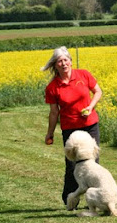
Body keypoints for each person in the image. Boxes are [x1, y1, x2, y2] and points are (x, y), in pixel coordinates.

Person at [42, 46, 102, 208]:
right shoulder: (53, 88)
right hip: (70, 130)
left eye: (65, 60)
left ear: (70, 61)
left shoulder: (83, 75)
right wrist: (50, 134)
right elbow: (54, 113)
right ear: (55, 65)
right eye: (59, 61)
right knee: (72, 166)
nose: (63, 63)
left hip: (90, 126)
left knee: (93, 163)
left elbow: (98, 91)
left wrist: (90, 107)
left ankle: (95, 197)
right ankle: (70, 199)